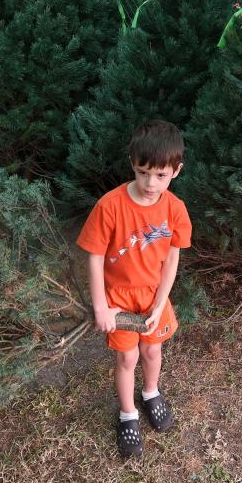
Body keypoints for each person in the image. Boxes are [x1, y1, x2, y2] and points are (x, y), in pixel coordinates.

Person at [76, 120, 192, 458]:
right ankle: (128, 413)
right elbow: (95, 258)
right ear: (133, 164)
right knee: (127, 356)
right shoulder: (110, 206)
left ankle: (151, 392)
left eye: (160, 175)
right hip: (119, 299)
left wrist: (159, 305)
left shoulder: (175, 210)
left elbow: (172, 260)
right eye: (143, 173)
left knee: (153, 352)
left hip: (153, 297)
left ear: (176, 171)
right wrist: (101, 305)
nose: (151, 183)